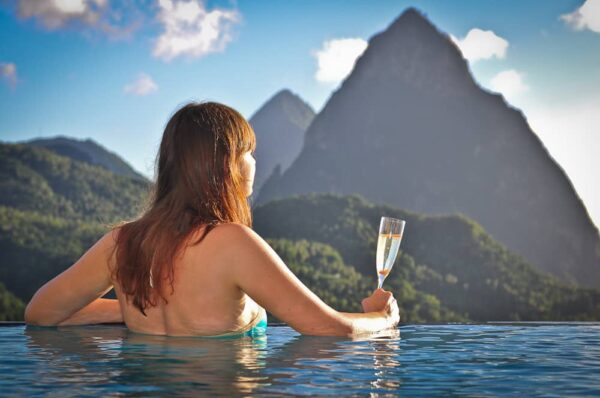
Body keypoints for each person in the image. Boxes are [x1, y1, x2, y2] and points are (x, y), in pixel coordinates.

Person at [24, 102, 400, 337]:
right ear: (225, 166)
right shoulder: (233, 242)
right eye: (248, 152)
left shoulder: (122, 243)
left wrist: (132, 307)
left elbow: (40, 314)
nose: (255, 162)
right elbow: (329, 328)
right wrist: (383, 319)